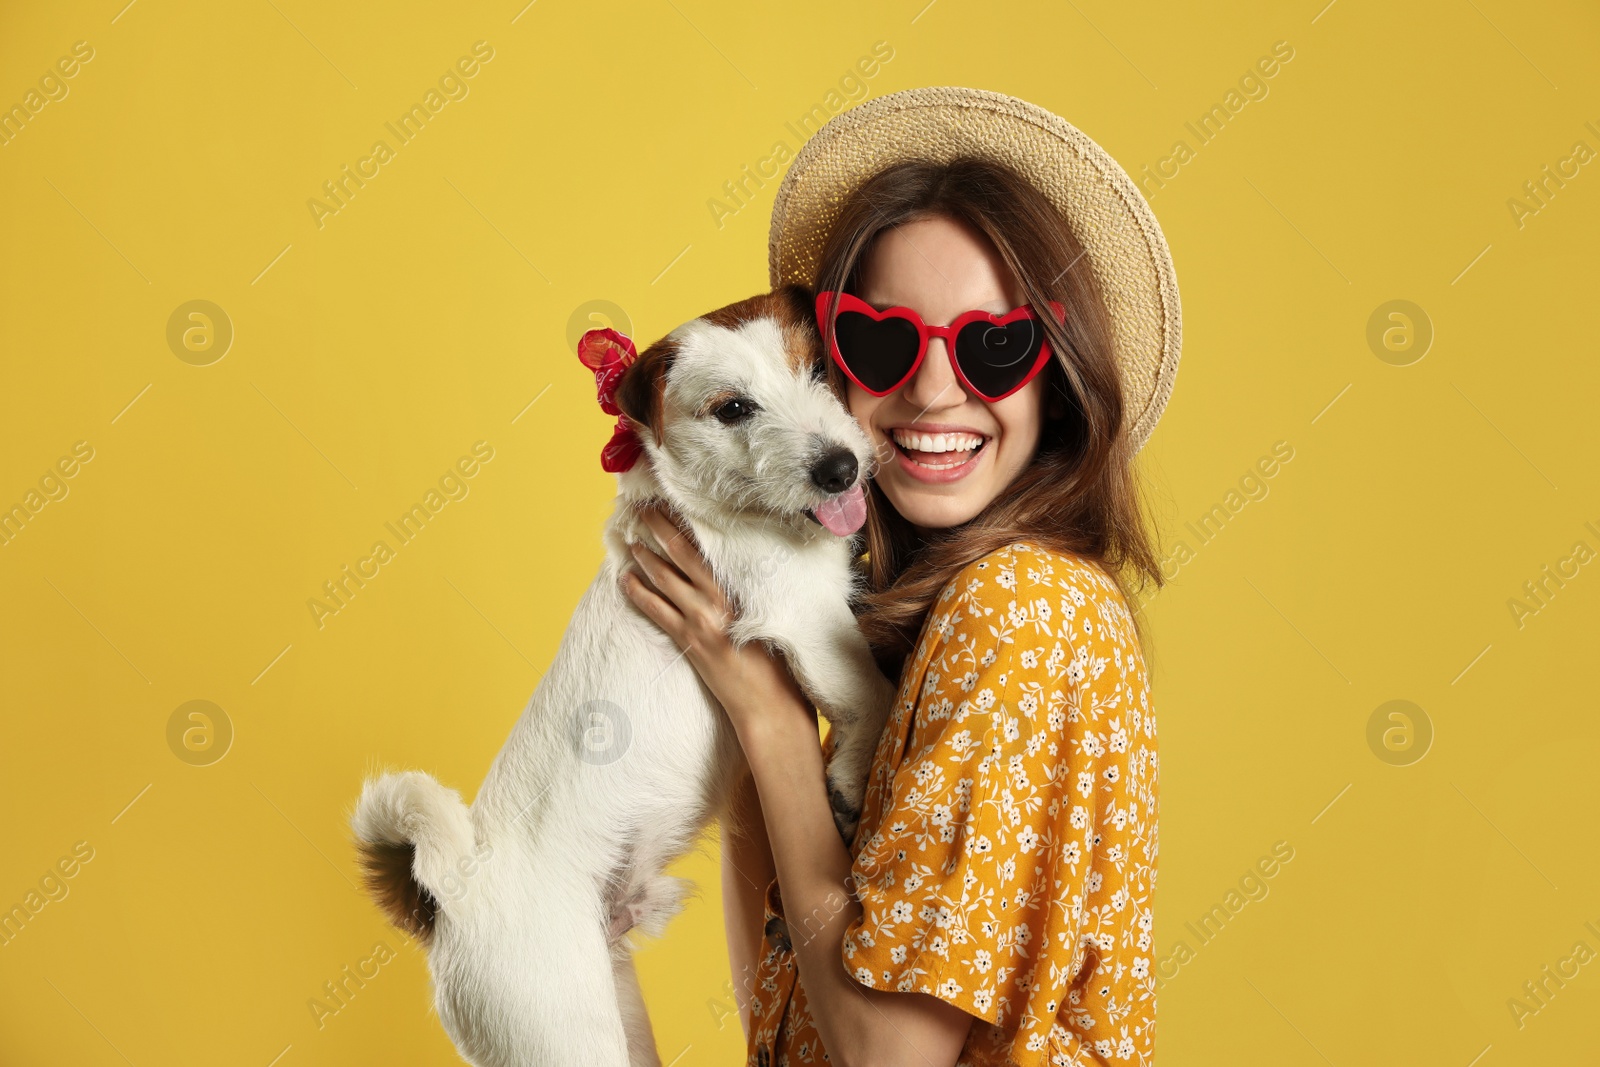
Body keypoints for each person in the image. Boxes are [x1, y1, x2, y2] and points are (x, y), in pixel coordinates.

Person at [621, 87, 1181, 1067]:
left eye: (992, 344)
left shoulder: (1018, 610)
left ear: (1057, 373)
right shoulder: (918, 628)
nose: (929, 389)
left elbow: (886, 1055)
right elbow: (788, 1016)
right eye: (882, 339)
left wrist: (769, 717)